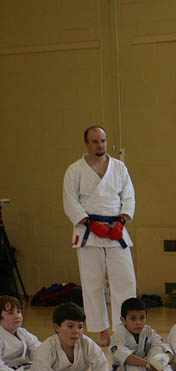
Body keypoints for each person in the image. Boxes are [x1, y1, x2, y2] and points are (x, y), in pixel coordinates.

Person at [62, 125, 137, 347]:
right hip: (89, 232)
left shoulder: (119, 167)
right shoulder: (75, 170)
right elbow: (70, 201)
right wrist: (89, 223)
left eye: (103, 140)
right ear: (86, 143)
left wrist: (121, 221)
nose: (100, 145)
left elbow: (129, 197)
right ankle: (102, 331)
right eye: (95, 141)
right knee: (93, 283)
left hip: (116, 230)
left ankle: (123, 329)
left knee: (125, 280)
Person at [110, 297, 176, 371]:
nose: (138, 322)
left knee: (158, 355)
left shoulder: (148, 331)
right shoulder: (118, 336)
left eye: (142, 318)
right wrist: (149, 364)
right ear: (123, 320)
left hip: (147, 370)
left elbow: (162, 346)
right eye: (133, 319)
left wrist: (165, 358)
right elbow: (126, 357)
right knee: (132, 365)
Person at [0, 295, 41, 371]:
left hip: (18, 370)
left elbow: (38, 350)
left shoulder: (22, 332)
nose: (17, 316)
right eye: (10, 313)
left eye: (18, 312)